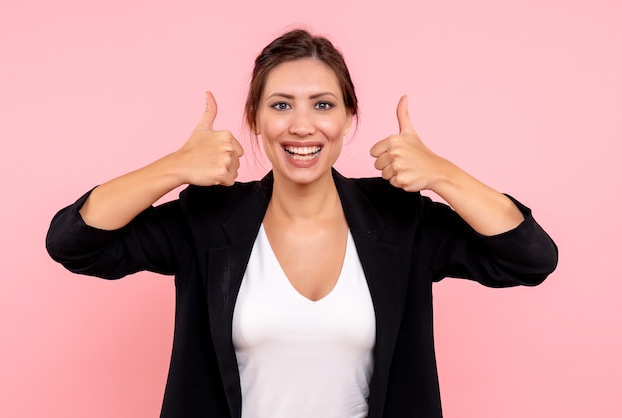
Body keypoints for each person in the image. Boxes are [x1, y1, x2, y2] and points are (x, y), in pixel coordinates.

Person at [46, 29, 558, 418]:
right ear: (256, 119)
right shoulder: (208, 218)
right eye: (281, 105)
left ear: (348, 118)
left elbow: (530, 257)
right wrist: (174, 167)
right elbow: (75, 243)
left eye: (323, 105)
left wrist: (442, 175)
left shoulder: (400, 218)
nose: (302, 125)